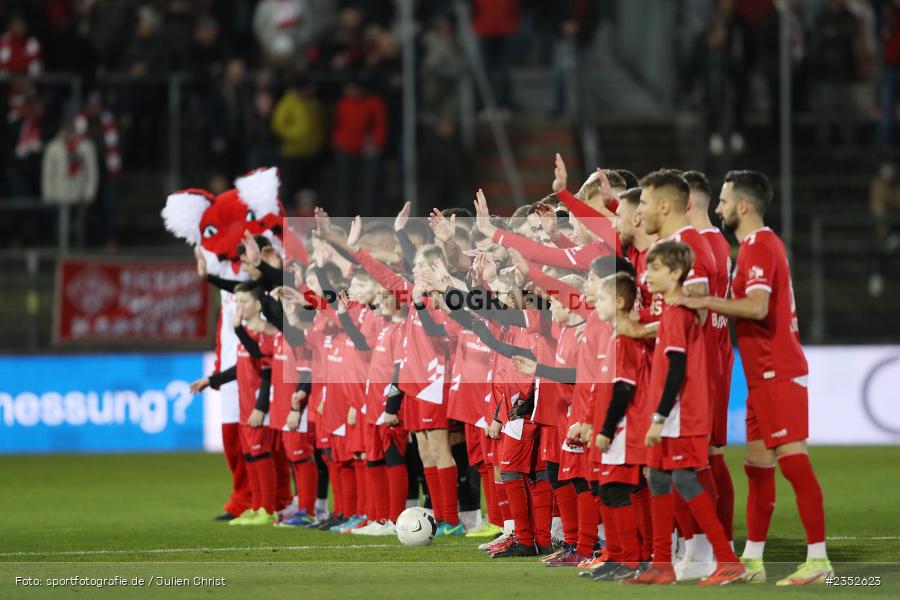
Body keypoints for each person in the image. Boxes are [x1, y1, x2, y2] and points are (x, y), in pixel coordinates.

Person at [672, 170, 833, 586]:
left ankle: (819, 561)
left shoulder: (760, 246)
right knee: (757, 468)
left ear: (742, 206)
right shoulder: (753, 247)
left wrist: (705, 300)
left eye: (724, 201)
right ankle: (754, 561)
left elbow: (758, 307)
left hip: (780, 370)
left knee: (794, 464)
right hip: (762, 372)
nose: (719, 208)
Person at [627, 241, 744, 586]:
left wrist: (659, 419)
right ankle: (662, 564)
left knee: (684, 479)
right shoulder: (671, 313)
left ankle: (727, 560)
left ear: (676, 273)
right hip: (673, 413)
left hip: (681, 415)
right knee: (660, 479)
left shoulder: (677, 316)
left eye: (657, 268)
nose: (648, 274)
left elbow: (676, 370)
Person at [684, 170, 736, 547]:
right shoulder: (718, 241)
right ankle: (722, 539)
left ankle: (709, 541)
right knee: (712, 451)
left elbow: (698, 307)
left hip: (702, 355)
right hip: (718, 350)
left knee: (700, 454)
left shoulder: (697, 245)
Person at [41, 121, 99, 248]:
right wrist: (48, 194)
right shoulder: (53, 147)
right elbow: (48, 173)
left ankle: (78, 253)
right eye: (66, 129)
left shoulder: (86, 146)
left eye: (71, 129)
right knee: (59, 227)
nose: (69, 133)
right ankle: (61, 252)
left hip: (79, 194)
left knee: (78, 227)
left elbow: (92, 172)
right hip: (59, 195)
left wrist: (90, 192)